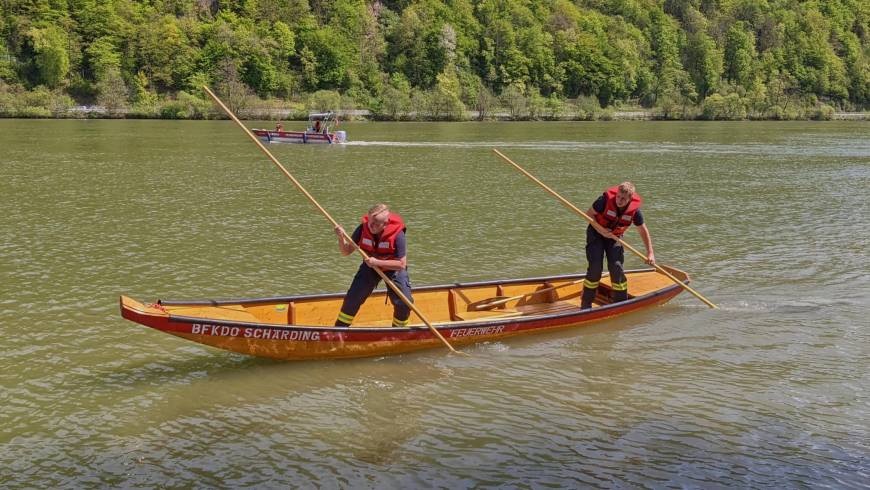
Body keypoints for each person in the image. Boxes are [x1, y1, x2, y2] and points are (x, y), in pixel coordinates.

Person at [333, 204, 413, 328]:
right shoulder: (363, 228)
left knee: (404, 303)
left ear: (385, 224)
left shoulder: (398, 235)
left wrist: (377, 262)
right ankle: (339, 329)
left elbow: (401, 264)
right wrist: (341, 237)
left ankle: (398, 331)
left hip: (392, 268)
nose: (371, 226)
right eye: (370, 222)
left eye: (376, 224)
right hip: (370, 267)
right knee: (353, 297)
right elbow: (346, 252)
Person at [581, 182, 656, 309]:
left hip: (614, 237)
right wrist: (601, 230)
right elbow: (588, 214)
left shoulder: (635, 211)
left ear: (630, 199)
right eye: (618, 197)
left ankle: (621, 304)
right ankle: (586, 305)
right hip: (596, 232)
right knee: (595, 268)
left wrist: (650, 253)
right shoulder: (603, 200)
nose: (619, 201)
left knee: (616, 268)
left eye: (623, 199)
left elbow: (643, 230)